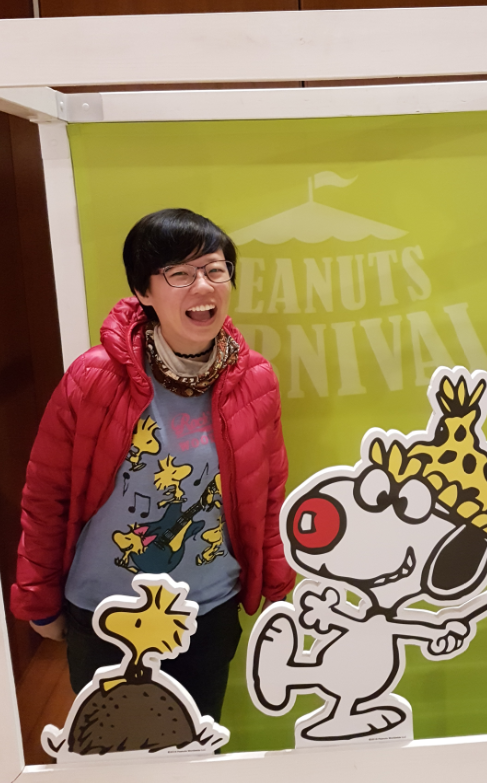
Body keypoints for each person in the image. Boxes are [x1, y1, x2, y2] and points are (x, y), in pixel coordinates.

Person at [10, 208, 295, 722]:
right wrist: (38, 599)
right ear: (144, 291)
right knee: (112, 749)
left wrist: (277, 590)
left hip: (207, 609)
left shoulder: (255, 379)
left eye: (215, 269)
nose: (202, 286)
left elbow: (268, 492)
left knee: (198, 741)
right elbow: (46, 495)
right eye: (179, 274)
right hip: (108, 613)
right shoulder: (94, 377)